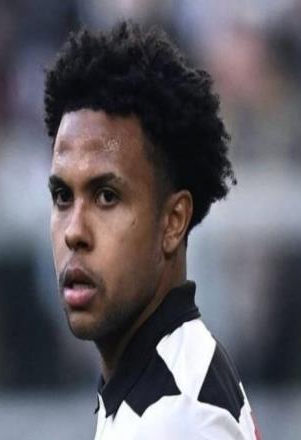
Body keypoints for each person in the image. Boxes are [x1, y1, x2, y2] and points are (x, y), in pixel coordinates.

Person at [44, 20, 259, 439]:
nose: (74, 232)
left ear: (173, 222)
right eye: (62, 196)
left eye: (107, 196)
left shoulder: (173, 419)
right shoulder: (159, 379)